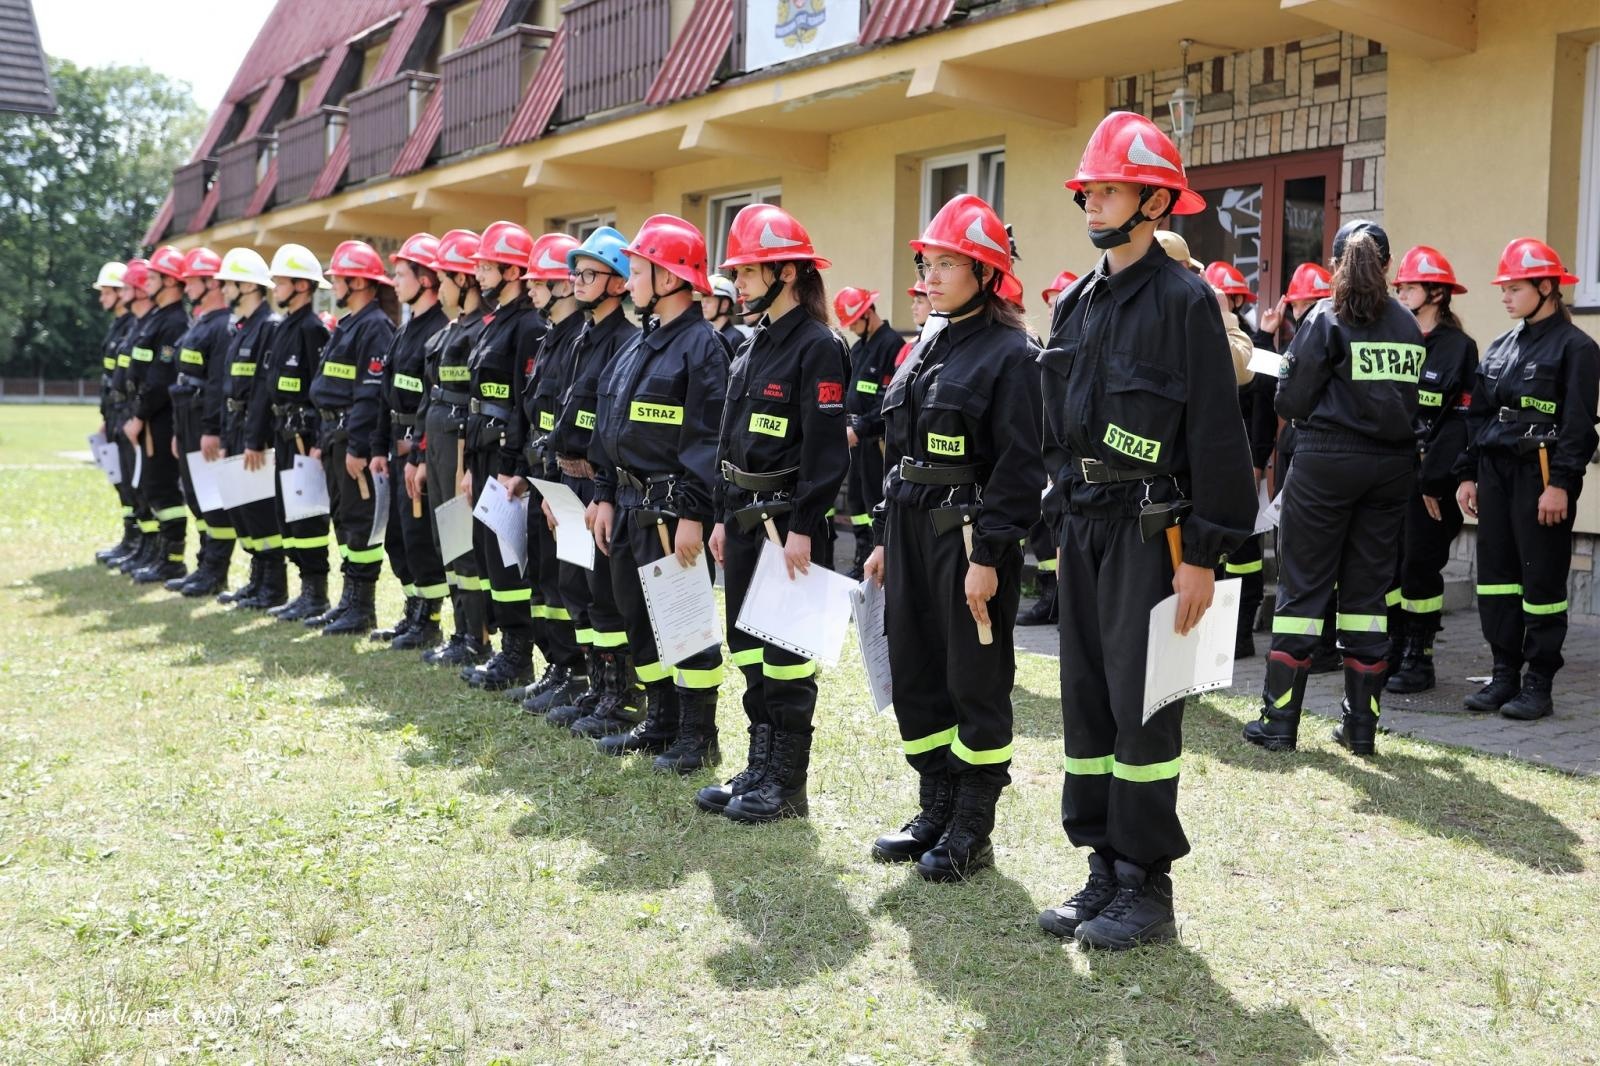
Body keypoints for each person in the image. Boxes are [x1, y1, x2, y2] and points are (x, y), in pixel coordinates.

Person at [1036, 112, 1254, 949]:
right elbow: (1056, 419)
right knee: (1087, 705)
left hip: (1154, 538)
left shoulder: (1186, 301)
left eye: (1112, 186)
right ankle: (1100, 868)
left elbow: (1217, 438)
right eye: (1089, 186)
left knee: (1145, 708)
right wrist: (1060, 506)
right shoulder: (1077, 301)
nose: (1094, 198)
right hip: (1086, 529)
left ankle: (1147, 885)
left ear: (1157, 201)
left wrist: (1204, 554)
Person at [861, 193, 1043, 881]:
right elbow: (899, 449)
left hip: (966, 538)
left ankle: (973, 825)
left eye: (946, 264)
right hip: (908, 530)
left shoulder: (1012, 355)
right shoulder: (927, 342)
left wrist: (991, 556)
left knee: (975, 680)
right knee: (917, 672)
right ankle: (934, 806)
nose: (930, 277)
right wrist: (882, 535)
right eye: (927, 263)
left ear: (987, 273)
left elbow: (1020, 467)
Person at [1244, 219, 1422, 760]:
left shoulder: (1325, 315)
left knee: (1302, 593)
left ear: (1336, 266)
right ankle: (1361, 729)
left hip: (1325, 465)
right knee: (1368, 598)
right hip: (1392, 469)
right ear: (1387, 266)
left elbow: (1290, 402)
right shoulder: (1410, 325)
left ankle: (1278, 723)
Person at [696, 204, 848, 814]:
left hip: (786, 523)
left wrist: (806, 530)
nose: (741, 283)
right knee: (751, 649)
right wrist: (716, 517)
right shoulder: (752, 345)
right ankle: (758, 768)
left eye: (752, 271)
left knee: (786, 657)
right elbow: (728, 438)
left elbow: (825, 450)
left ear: (787, 273)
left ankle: (786, 786)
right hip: (739, 518)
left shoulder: (819, 347)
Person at [587, 215, 728, 762]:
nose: (631, 276)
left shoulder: (702, 347)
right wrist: (602, 492)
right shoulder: (639, 343)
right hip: (624, 504)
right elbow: (609, 422)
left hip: (672, 508)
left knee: (684, 620)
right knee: (637, 616)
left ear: (669, 278)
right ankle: (662, 721)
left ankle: (699, 735)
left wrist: (695, 511)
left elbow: (707, 437)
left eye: (639, 268)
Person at [1455, 239, 1599, 719]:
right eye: (1504, 289)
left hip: (1541, 477)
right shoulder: (1501, 347)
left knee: (1540, 581)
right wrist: (1469, 476)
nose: (1505, 297)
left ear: (1546, 287)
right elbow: (1477, 417)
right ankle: (1503, 676)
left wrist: (1560, 482)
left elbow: (1579, 426)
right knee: (1496, 580)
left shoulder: (1578, 348)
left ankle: (1538, 683)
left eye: (1514, 288)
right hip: (1494, 474)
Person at [545, 227, 642, 734]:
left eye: (589, 273)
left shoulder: (626, 343)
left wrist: (599, 485)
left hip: (599, 484)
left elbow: (612, 428)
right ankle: (597, 687)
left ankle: (621, 696)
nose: (577, 281)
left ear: (619, 283)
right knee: (576, 586)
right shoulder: (580, 338)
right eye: (575, 272)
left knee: (605, 592)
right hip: (569, 481)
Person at [1384, 246, 1477, 693]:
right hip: (1387, 474)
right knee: (1388, 567)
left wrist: (1436, 479)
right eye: (1398, 285)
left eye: (1409, 286)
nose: (1400, 291)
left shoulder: (1458, 349)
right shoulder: (1393, 337)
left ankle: (1419, 659)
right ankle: (1392, 646)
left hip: (1430, 479)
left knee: (1420, 566)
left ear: (1436, 294)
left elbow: (1460, 421)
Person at [460, 221, 546, 691]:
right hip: (483, 453)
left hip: (506, 459)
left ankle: (518, 656)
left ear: (514, 271)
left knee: (508, 559)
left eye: (488, 266)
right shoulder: (499, 322)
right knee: (488, 556)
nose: (479, 274)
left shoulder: (529, 326)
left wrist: (513, 466)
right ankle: (505, 649)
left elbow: (522, 403)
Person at [357, 233, 450, 648]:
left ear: (426, 279)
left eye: (401, 274)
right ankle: (413, 609)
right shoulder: (405, 328)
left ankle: (429, 619)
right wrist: (378, 447)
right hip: (394, 447)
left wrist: (420, 451)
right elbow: (385, 393)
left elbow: (433, 400)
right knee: (397, 536)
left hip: (418, 447)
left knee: (417, 536)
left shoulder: (440, 331)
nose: (394, 283)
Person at [306, 240, 399, 636]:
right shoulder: (351, 324)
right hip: (333, 435)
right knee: (343, 521)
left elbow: (370, 392)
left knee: (359, 523)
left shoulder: (375, 327)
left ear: (358, 281)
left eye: (339, 279)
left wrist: (359, 447)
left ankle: (362, 607)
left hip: (350, 438)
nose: (334, 285)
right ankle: (349, 599)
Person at [515, 231, 589, 710]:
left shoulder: (579, 341)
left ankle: (580, 673)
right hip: (545, 474)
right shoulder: (552, 340)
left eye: (539, 282)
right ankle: (560, 666)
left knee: (573, 580)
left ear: (563, 286)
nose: (531, 290)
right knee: (546, 577)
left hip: (570, 477)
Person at [416, 229, 494, 667]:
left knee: (463, 538)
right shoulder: (451, 329)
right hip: (440, 440)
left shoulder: (481, 329)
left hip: (461, 441)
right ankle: (461, 629)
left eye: (444, 277)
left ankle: (477, 635)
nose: (438, 286)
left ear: (463, 281)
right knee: (446, 535)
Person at [243, 244, 333, 619]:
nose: (274, 286)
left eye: (280, 280)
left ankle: (316, 594)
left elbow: (322, 389)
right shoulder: (282, 329)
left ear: (301, 286)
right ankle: (302, 591)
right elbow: (266, 387)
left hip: (304, 438)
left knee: (307, 516)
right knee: (287, 514)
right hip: (282, 433)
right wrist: (256, 436)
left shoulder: (312, 330)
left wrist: (318, 440)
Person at [1263, 260, 1341, 671]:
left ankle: (1319, 647)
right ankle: (1317, 646)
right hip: (1303, 450)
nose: (1303, 313)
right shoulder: (1318, 335)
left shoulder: (1319, 336)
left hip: (1314, 457)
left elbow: (1286, 393)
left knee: (1309, 560)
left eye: (1305, 304)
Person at [1204, 259, 1277, 657]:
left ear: (1234, 300)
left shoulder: (1248, 344)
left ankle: (1242, 634)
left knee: (1246, 553)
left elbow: (1263, 407)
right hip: (1214, 463)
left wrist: (1257, 460)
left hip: (1244, 461)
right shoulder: (1202, 337)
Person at [211, 248, 285, 609]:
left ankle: (272, 586)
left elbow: (261, 392)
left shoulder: (268, 328)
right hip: (236, 430)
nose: (223, 290)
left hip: (256, 436)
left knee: (259, 510)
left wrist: (255, 439)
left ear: (247, 286)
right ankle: (257, 579)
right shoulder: (242, 329)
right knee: (242, 510)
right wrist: (228, 439)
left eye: (228, 283)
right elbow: (230, 388)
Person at [164, 247, 237, 597]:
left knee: (212, 499)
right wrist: (181, 432)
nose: (187, 285)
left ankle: (215, 571)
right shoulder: (201, 322)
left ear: (212, 283)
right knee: (195, 497)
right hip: (187, 420)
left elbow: (217, 385)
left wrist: (211, 430)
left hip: (203, 422)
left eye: (193, 279)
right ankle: (204, 563)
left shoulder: (223, 326)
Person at [122, 245, 194, 585]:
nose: (147, 281)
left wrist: (139, 414)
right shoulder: (157, 318)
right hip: (149, 414)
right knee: (152, 486)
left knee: (163, 487)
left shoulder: (176, 321)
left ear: (169, 281)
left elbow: (160, 377)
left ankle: (173, 559)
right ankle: (159, 554)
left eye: (153, 277)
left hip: (161, 417)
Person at [1017, 271, 1081, 628]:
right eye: (1051, 300)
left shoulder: (1072, 341)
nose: (1054, 305)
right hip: (1044, 451)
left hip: (1066, 457)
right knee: (1042, 531)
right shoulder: (1047, 345)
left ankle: (1059, 597)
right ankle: (1050, 594)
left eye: (1059, 298)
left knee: (1056, 530)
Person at [835, 285, 899, 580]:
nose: (853, 329)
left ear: (868, 313)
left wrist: (861, 428)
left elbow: (887, 401)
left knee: (875, 500)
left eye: (855, 322)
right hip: (856, 439)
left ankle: (878, 556)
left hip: (876, 441)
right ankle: (862, 554)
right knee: (857, 503)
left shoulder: (891, 344)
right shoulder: (859, 348)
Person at [107, 259, 158, 575]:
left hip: (139, 414)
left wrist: (137, 414)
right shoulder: (136, 326)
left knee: (147, 486)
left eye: (127, 286)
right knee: (129, 483)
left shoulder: (149, 324)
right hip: (123, 411)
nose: (117, 293)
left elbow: (153, 378)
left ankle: (153, 550)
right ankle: (140, 544)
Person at [93, 261, 139, 567]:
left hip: (126, 411)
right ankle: (130, 538)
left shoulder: (133, 325)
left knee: (133, 481)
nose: (102, 298)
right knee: (119, 478)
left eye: (107, 291)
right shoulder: (118, 326)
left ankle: (138, 541)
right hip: (113, 411)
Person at [701, 274, 747, 354]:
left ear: (724, 304)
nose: (703, 306)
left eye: (708, 301)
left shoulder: (736, 339)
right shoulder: (704, 336)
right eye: (702, 301)